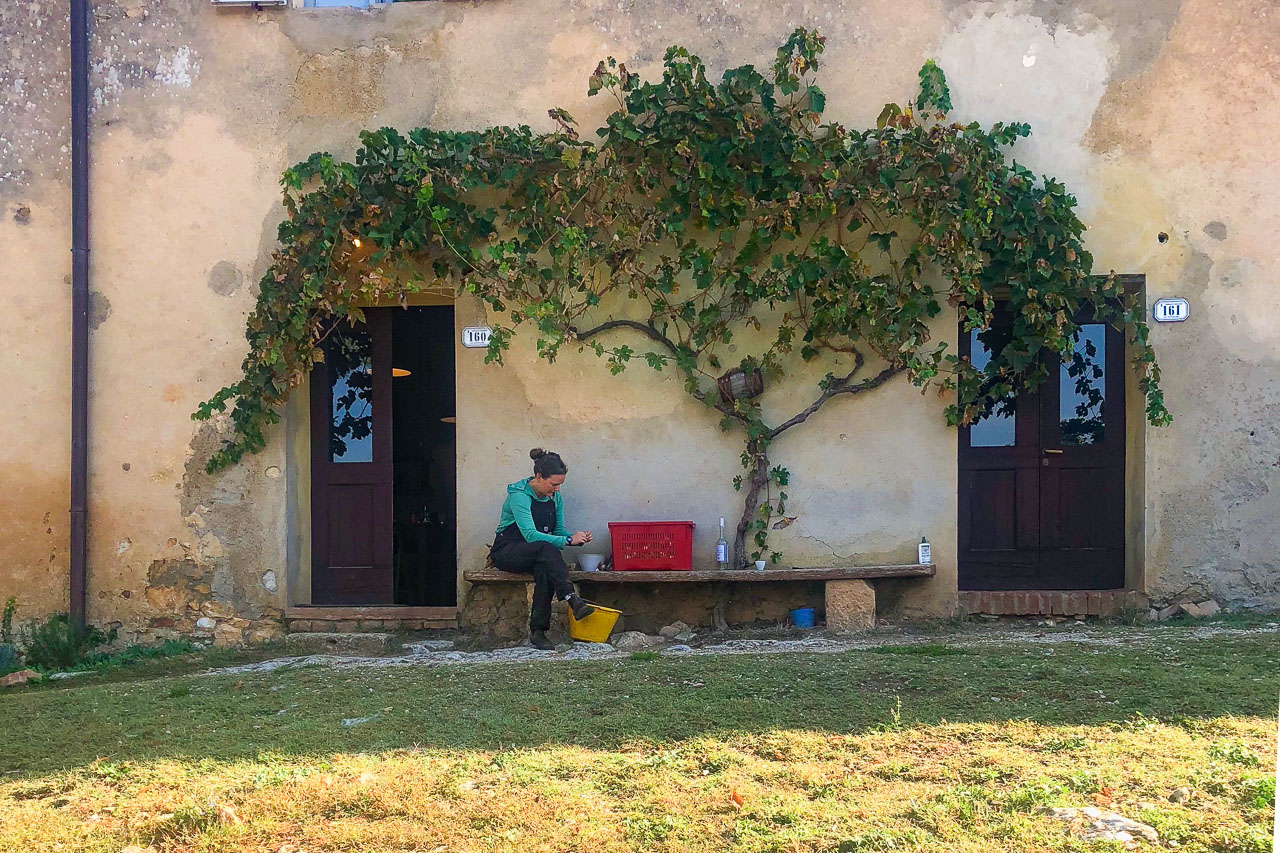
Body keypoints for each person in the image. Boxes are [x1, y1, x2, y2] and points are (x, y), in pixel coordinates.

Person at [490, 448, 595, 649]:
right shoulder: (519, 496)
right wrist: (567, 541)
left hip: (538, 553)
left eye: (560, 485)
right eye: (554, 484)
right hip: (508, 551)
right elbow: (530, 535)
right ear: (539, 477)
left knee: (546, 567)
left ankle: (538, 632)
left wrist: (575, 538)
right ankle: (571, 598)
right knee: (546, 550)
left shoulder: (555, 498)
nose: (557, 489)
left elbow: (559, 531)